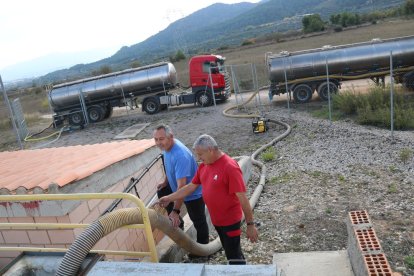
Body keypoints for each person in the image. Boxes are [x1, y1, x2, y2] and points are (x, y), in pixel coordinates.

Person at [158, 134, 258, 264]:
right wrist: (169, 198)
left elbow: (243, 199)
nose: (198, 158)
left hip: (230, 222)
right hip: (217, 221)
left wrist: (250, 225)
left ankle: (239, 270)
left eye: (200, 154)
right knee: (231, 251)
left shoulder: (229, 167)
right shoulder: (204, 166)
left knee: (234, 255)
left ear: (210, 150)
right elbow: (190, 187)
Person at [153, 124, 209, 245]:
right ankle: (178, 224)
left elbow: (182, 187)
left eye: (161, 139)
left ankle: (204, 247)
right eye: (156, 139)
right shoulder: (167, 148)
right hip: (178, 187)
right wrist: (165, 182)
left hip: (192, 193)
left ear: (170, 137)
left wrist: (176, 211)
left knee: (198, 220)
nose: (158, 143)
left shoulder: (180, 155)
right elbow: (170, 168)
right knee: (162, 191)